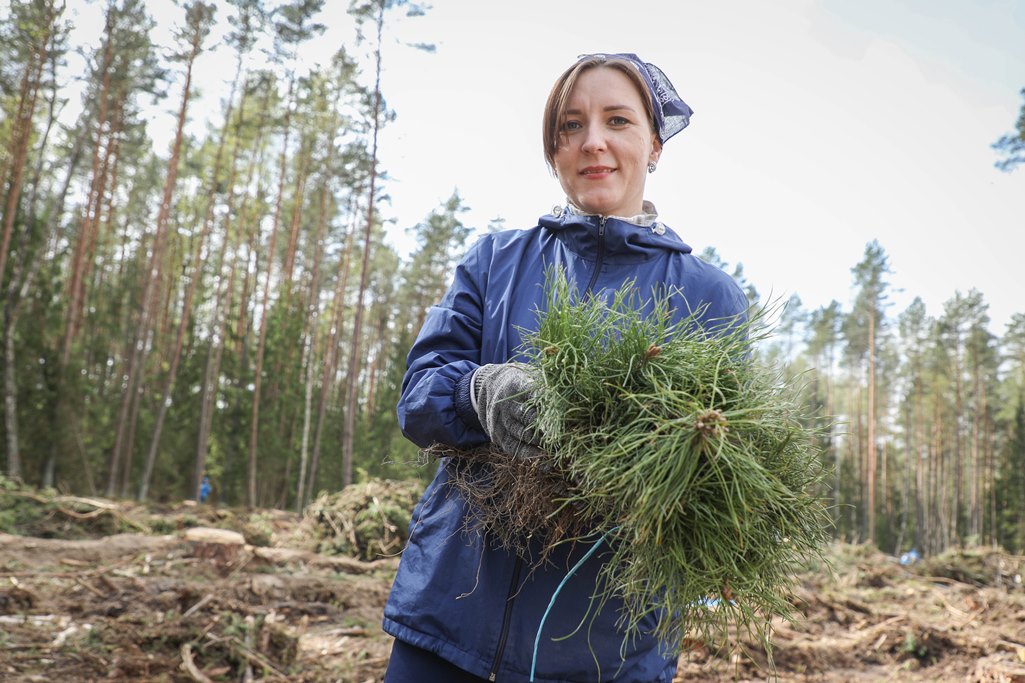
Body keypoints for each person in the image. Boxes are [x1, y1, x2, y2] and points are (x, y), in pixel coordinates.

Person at [382, 53, 749, 683]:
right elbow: (417, 398)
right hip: (449, 621)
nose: (593, 141)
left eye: (618, 121)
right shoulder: (495, 261)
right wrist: (481, 391)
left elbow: (717, 479)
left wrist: (645, 457)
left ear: (655, 143)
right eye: (571, 126)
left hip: (604, 649)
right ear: (554, 152)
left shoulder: (708, 297)